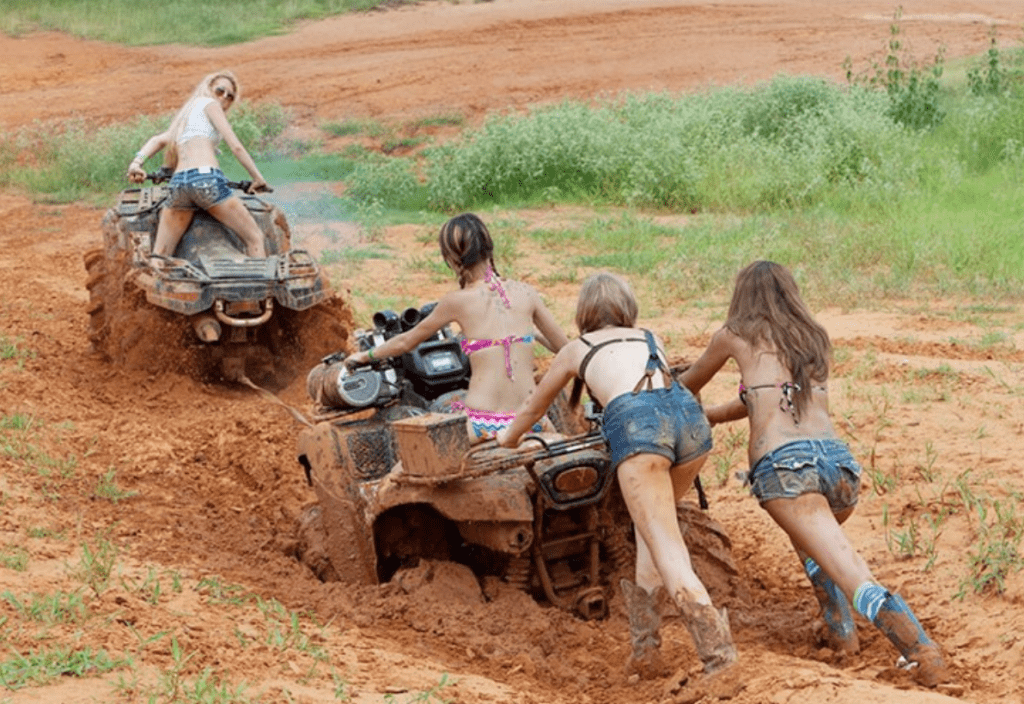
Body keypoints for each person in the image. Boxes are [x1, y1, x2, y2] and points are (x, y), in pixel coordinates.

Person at [677, 260, 950, 688]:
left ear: (742, 295)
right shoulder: (813, 337)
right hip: (839, 468)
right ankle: (841, 634)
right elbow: (769, 399)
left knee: (850, 568)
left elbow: (685, 386)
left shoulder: (733, 335)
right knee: (817, 545)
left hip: (786, 469)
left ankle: (919, 650)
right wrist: (714, 414)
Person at [496, 272, 736, 680]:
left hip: (641, 432)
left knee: (668, 548)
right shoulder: (650, 337)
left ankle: (719, 657)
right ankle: (646, 650)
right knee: (651, 535)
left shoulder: (577, 349)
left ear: (583, 313)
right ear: (628, 308)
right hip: (691, 427)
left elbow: (535, 405)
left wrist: (508, 439)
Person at [344, 213, 569, 441]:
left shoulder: (456, 301)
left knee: (418, 453)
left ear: (452, 259)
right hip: (532, 420)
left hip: (487, 424)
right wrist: (533, 334)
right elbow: (565, 348)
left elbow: (405, 342)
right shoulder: (526, 293)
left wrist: (365, 356)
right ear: (489, 248)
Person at [127, 69, 269, 262]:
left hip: (179, 184)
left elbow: (158, 140)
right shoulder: (210, 104)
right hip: (207, 180)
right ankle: (260, 281)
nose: (224, 97)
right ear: (208, 88)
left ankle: (152, 277)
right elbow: (236, 147)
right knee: (255, 238)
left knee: (160, 255)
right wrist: (257, 178)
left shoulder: (186, 117)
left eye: (230, 96)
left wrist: (136, 164)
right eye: (220, 90)